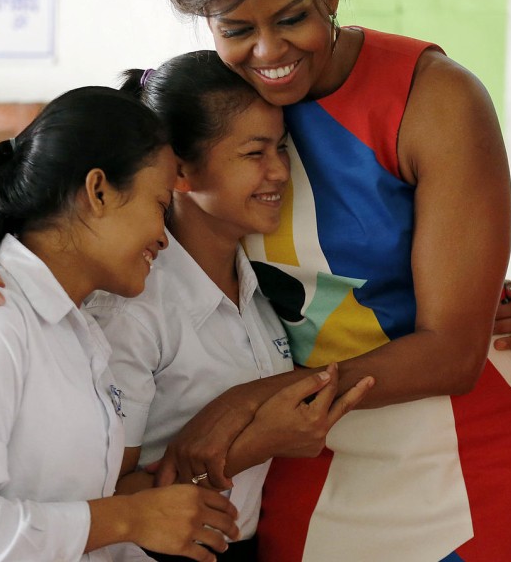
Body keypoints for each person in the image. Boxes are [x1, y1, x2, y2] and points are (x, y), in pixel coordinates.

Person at [0, 0, 511, 558]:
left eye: (292, 17)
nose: (268, 51)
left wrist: (242, 404)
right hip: (291, 464)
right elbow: (56, 189)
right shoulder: (210, 105)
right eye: (236, 29)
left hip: (451, 448)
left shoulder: (433, 97)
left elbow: (452, 349)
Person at [0, 86, 239, 562]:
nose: (164, 238)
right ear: (97, 191)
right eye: (159, 205)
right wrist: (129, 518)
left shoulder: (77, 329)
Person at [88, 50, 373, 562]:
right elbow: (107, 495)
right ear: (180, 170)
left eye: (281, 149)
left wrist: (498, 306)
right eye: (254, 154)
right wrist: (259, 441)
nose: (280, 173)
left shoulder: (262, 283)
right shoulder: (136, 306)